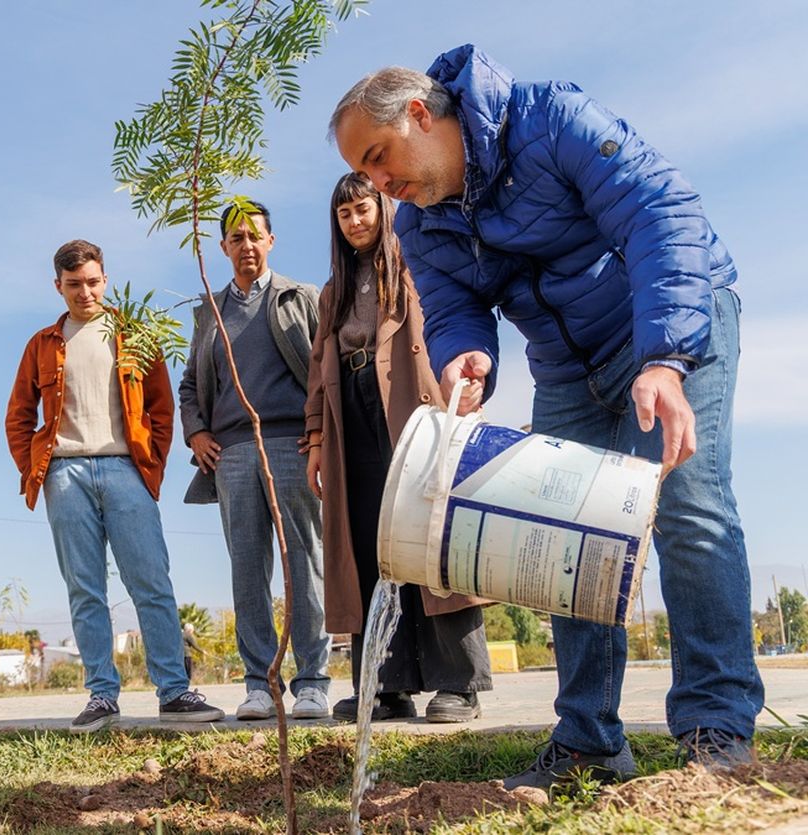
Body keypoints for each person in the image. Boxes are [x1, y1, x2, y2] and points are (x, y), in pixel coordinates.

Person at [330, 45, 763, 786]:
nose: (378, 183)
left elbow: (660, 210)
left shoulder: (549, 119)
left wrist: (665, 357)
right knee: (565, 546)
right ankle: (589, 740)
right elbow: (456, 304)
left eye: (378, 157)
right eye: (364, 173)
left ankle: (715, 731)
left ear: (419, 114)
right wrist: (469, 354)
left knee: (688, 508)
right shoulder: (419, 223)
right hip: (568, 365)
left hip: (667, 324)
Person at [6, 239, 225, 733]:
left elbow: (162, 409)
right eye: (73, 284)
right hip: (66, 475)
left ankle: (173, 690)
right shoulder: (42, 343)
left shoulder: (132, 334)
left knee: (151, 582)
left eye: (92, 281)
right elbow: (19, 416)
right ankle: (102, 695)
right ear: (57, 286)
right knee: (85, 589)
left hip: (126, 470)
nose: (84, 292)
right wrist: (36, 466)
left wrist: (151, 466)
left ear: (105, 279)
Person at [305, 172, 492, 724]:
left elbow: (456, 322)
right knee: (369, 542)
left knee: (429, 538)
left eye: (363, 209)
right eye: (345, 215)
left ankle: (459, 682)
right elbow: (320, 370)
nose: (356, 221)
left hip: (413, 407)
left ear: (382, 210)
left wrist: (463, 386)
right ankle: (385, 685)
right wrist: (316, 440)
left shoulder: (414, 267)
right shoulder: (332, 293)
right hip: (352, 418)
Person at [178, 201, 332, 721]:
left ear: (270, 242)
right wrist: (197, 431)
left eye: (254, 236)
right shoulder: (210, 311)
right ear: (222, 248)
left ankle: (312, 681)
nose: (246, 245)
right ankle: (260, 684)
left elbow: (323, 372)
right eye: (236, 238)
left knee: (303, 563)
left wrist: (318, 439)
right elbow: (190, 385)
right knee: (247, 570)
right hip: (234, 453)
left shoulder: (301, 298)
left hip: (292, 445)